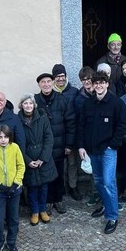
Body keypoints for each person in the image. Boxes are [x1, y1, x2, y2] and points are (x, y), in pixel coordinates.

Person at [77, 71, 126, 235]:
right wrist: (81, 146)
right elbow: (81, 126)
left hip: (108, 151)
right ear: (93, 85)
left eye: (102, 83)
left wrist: (112, 145)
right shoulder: (88, 103)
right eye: (96, 83)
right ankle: (106, 204)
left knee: (108, 182)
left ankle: (112, 216)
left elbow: (122, 126)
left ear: (107, 84)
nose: (99, 85)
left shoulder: (116, 103)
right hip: (91, 150)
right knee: (98, 181)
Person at [35, 72, 76, 214]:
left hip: (59, 144)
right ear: (39, 85)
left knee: (59, 173)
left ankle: (58, 199)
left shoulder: (63, 99)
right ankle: (48, 201)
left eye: (48, 81)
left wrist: (69, 145)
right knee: (45, 174)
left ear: (52, 83)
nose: (46, 84)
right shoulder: (34, 101)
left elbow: (70, 122)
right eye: (43, 82)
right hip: (42, 146)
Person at [18, 93, 57, 226]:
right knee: (32, 187)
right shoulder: (18, 120)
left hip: (43, 158)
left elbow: (49, 138)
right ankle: (34, 211)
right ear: (21, 105)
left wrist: (42, 158)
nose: (28, 106)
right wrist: (27, 160)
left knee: (44, 186)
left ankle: (43, 209)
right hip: (27, 157)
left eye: (30, 103)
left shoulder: (42, 117)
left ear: (34, 105)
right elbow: (18, 143)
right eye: (25, 103)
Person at [52, 63, 83, 201]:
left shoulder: (74, 91)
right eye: (57, 76)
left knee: (72, 163)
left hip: (71, 133)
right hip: (56, 136)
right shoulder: (50, 93)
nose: (60, 79)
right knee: (59, 165)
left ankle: (73, 186)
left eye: (62, 76)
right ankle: (61, 188)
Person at [75, 66, 101, 208]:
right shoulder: (79, 99)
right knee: (92, 169)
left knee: (107, 169)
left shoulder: (101, 92)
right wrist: (81, 144)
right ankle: (95, 193)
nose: (86, 82)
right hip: (88, 138)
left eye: (88, 79)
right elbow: (79, 123)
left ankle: (107, 195)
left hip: (103, 138)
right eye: (83, 80)